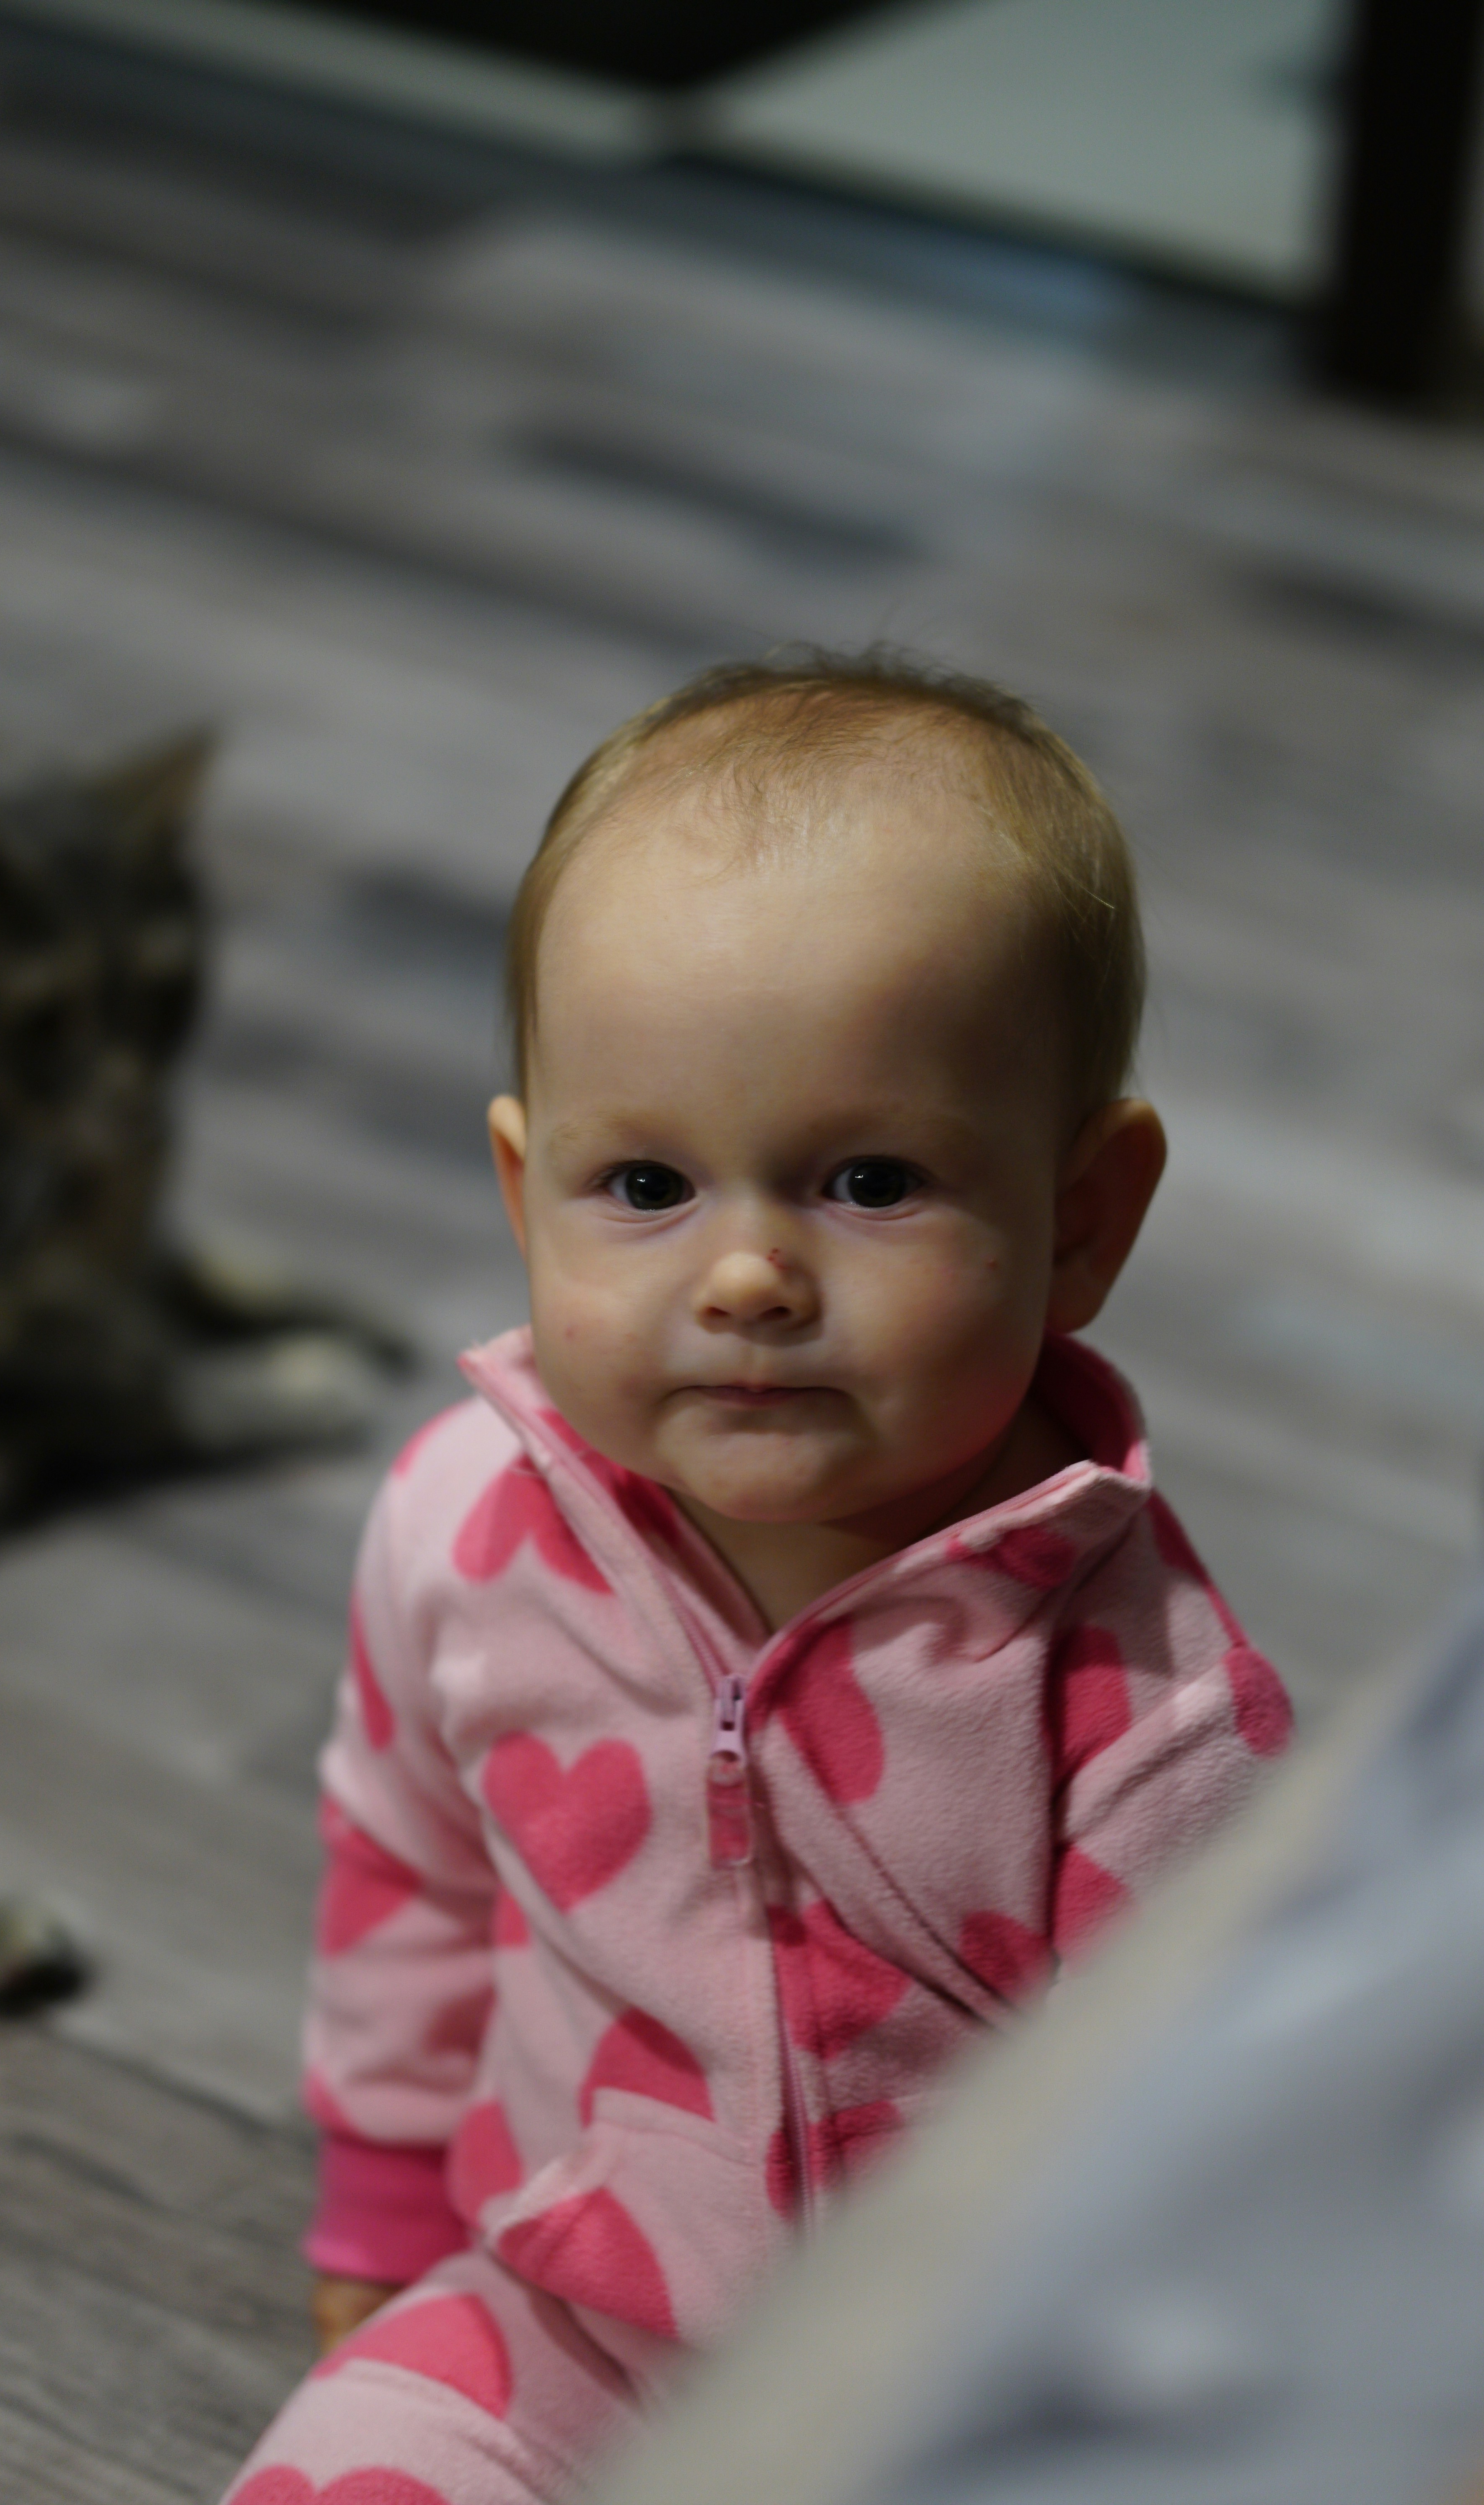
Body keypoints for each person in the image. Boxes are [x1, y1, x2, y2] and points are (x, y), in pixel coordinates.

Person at [219, 653, 1292, 2505]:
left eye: (867, 1181)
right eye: (642, 1188)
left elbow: (1217, 2155)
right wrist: (389, 2202)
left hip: (956, 2404)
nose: (745, 1278)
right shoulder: (465, 1526)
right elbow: (405, 1860)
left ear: (1083, 1222)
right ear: (516, 1189)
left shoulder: (1149, 1704)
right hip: (563, 2315)